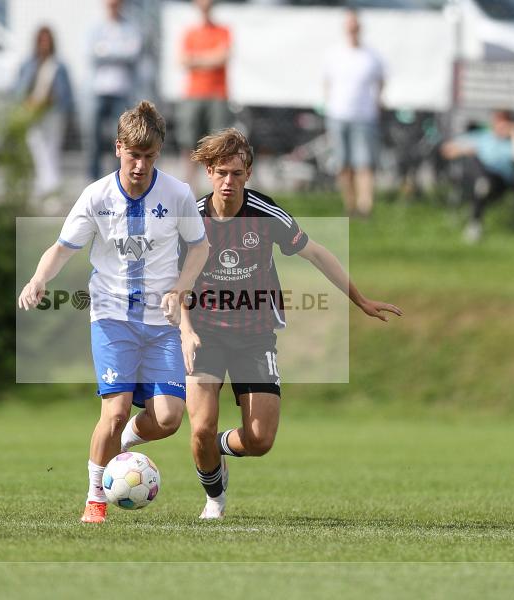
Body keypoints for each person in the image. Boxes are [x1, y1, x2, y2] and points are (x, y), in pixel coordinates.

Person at [121, 128, 402, 519]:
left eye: (236, 173)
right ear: (207, 171)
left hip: (255, 338)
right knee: (198, 428)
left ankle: (215, 444)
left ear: (248, 174)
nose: (228, 181)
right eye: (220, 172)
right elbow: (175, 285)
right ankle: (214, 499)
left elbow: (317, 254)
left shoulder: (266, 214)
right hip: (203, 336)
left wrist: (361, 299)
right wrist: (185, 330)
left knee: (260, 440)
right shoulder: (192, 220)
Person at [17, 101, 209, 524]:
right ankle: (95, 498)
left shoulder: (177, 194)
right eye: (133, 154)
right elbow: (63, 247)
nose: (140, 165)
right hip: (111, 317)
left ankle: (121, 441)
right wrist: (38, 279)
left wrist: (181, 288)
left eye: (149, 156)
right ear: (118, 147)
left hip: (161, 325)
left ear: (158, 153)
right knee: (116, 408)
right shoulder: (97, 195)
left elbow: (200, 247)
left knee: (170, 418)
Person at [323, 10, 385, 217]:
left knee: (364, 164)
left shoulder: (371, 56)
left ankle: (365, 206)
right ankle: (349, 205)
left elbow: (381, 81)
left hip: (364, 116)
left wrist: (377, 104)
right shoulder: (334, 54)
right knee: (343, 164)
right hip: (338, 115)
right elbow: (327, 83)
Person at [440, 109, 514, 243]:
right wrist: (464, 150)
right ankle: (481, 187)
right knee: (475, 163)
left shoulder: (513, 143)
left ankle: (475, 222)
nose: (501, 125)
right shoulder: (482, 137)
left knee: (484, 180)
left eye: (505, 122)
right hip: (475, 178)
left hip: (499, 183)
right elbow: (447, 150)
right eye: (498, 121)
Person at [177, 0, 232, 187]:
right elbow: (183, 60)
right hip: (193, 94)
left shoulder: (223, 30)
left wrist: (196, 59)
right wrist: (210, 57)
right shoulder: (191, 32)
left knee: (219, 144)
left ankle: (216, 188)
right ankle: (189, 189)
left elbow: (222, 58)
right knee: (189, 144)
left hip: (217, 95)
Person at [16, 25, 74, 200]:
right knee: (36, 147)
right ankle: (48, 185)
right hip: (34, 113)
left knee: (51, 149)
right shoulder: (29, 64)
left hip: (53, 113)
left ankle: (49, 186)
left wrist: (51, 100)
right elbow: (19, 89)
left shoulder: (59, 66)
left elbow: (65, 94)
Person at [87, 0, 142, 180]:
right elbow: (92, 54)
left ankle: (115, 177)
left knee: (119, 139)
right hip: (99, 89)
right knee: (94, 139)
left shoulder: (130, 27)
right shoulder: (97, 26)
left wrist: (107, 51)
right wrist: (119, 52)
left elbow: (133, 53)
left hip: (122, 90)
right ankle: (93, 179)